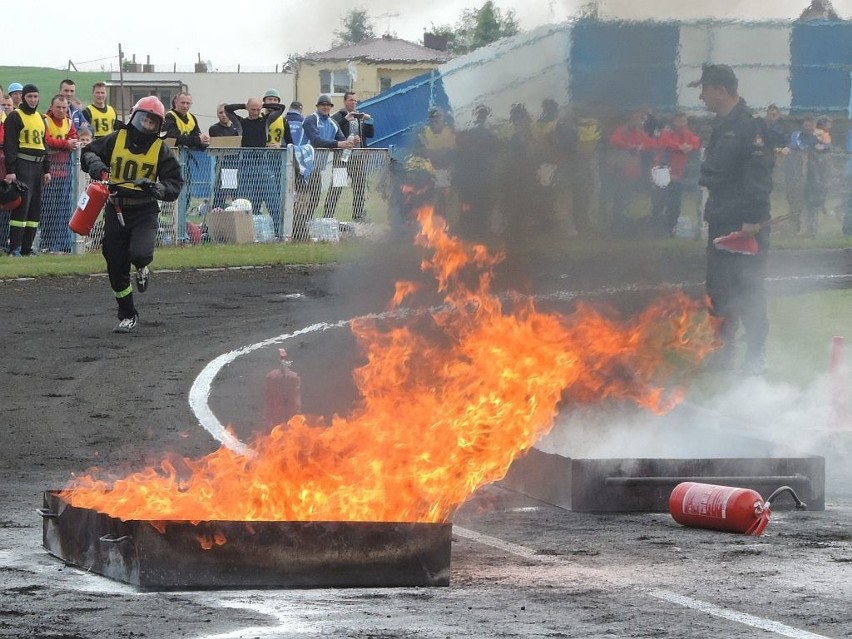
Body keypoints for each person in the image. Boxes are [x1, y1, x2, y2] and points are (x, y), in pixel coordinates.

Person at [691, 64, 774, 376]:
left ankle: (756, 355)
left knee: (748, 288)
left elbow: (759, 176)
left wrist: (753, 218)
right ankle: (723, 353)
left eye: (705, 89)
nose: (701, 96)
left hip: (744, 227)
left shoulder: (750, 128)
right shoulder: (721, 125)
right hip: (721, 222)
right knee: (719, 290)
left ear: (721, 90)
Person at [80, 96, 183, 333]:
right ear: (134, 118)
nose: (146, 126)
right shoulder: (117, 138)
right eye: (143, 120)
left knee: (139, 253)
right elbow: (88, 152)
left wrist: (158, 188)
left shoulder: (161, 149)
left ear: (158, 127)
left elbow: (174, 182)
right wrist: (95, 164)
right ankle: (128, 314)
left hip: (145, 209)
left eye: (152, 123)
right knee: (115, 264)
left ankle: (142, 266)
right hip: (116, 208)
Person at [295, 94, 358, 240]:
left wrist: (350, 141)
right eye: (322, 104)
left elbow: (341, 139)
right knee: (301, 199)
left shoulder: (332, 123)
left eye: (328, 105)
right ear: (317, 106)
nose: (325, 107)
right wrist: (339, 144)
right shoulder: (311, 119)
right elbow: (316, 141)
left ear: (330, 107)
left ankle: (304, 225)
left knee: (315, 197)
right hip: (302, 166)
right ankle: (296, 227)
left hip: (317, 168)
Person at [224, 98, 290, 236]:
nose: (255, 112)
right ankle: (247, 234)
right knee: (246, 203)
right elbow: (228, 109)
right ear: (248, 108)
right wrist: (244, 104)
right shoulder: (241, 122)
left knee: (273, 202)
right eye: (252, 109)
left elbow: (281, 108)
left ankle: (279, 234)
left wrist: (263, 104)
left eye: (258, 110)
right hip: (246, 165)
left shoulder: (265, 120)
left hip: (263, 164)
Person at [3, 84, 51, 257]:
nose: (33, 100)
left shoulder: (40, 117)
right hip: (23, 166)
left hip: (38, 168)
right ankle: (14, 247)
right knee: (21, 208)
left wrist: (47, 169)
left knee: (34, 209)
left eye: (35, 97)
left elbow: (43, 145)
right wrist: (11, 170)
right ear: (23, 97)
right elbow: (10, 145)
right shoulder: (16, 117)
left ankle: (27, 248)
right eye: (29, 96)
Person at [324, 90, 375, 221]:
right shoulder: (337, 117)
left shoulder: (359, 117)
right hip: (342, 158)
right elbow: (331, 131)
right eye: (350, 100)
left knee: (359, 186)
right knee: (337, 185)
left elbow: (370, 135)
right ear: (345, 101)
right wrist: (345, 121)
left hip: (358, 158)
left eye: (355, 100)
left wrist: (369, 121)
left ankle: (358, 215)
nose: (353, 103)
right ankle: (328, 215)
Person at [649, 112, 701, 236]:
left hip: (678, 174)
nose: (681, 124)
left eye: (683, 121)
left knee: (675, 203)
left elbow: (696, 142)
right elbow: (664, 143)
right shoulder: (667, 132)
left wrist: (689, 147)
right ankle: (655, 228)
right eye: (679, 121)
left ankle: (670, 229)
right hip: (663, 172)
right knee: (659, 201)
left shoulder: (688, 134)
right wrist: (679, 147)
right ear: (674, 121)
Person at [41, 95, 79, 253]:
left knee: (62, 211)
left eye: (64, 107)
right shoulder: (44, 121)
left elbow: (75, 141)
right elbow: (47, 141)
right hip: (47, 173)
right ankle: (46, 242)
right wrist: (65, 144)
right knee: (46, 211)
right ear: (51, 107)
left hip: (64, 173)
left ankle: (59, 244)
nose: (62, 110)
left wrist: (65, 145)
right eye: (58, 107)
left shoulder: (69, 122)